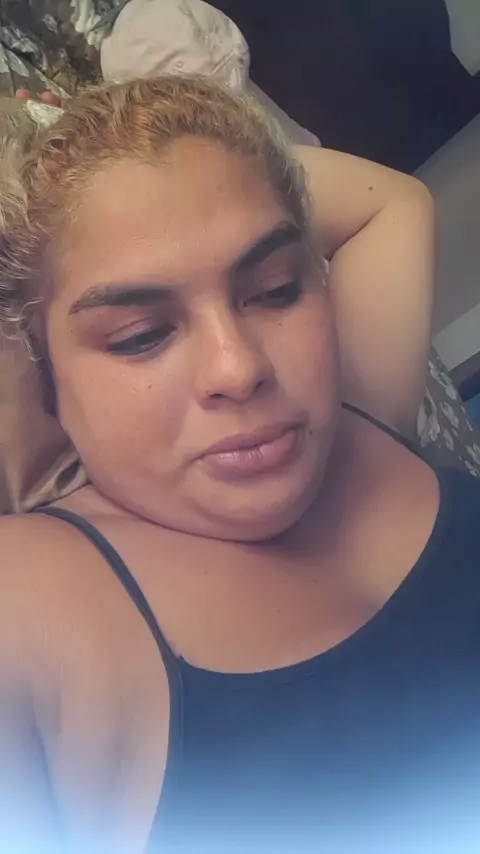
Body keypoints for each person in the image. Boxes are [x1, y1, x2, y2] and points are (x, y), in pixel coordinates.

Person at [0, 75, 478, 853]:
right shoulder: (24, 601)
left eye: (275, 289)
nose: (239, 366)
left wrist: (217, 157)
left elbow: (393, 202)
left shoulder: (355, 407)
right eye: (140, 336)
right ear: (40, 372)